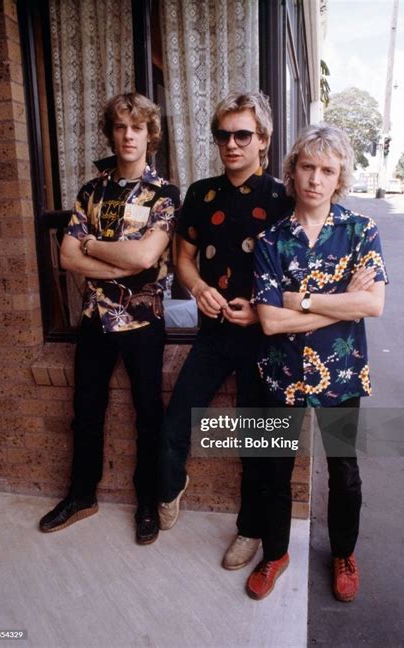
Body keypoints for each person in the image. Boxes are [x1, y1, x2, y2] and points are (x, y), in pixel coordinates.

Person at [248, 123, 387, 601]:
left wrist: (300, 302)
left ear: (339, 177)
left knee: (344, 471)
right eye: (307, 166)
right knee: (272, 471)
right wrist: (338, 300)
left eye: (327, 170)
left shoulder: (360, 231)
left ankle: (344, 553)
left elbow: (372, 306)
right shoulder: (270, 241)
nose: (315, 179)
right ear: (293, 171)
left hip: (341, 376)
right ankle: (275, 554)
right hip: (281, 374)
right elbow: (268, 322)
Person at [157, 93, 293, 565]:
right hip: (213, 331)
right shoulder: (201, 193)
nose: (231, 144)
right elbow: (184, 259)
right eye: (223, 135)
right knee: (176, 419)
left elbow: (296, 276)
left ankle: (251, 529)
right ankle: (169, 486)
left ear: (263, 140)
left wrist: (260, 311)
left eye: (243, 135)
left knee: (255, 441)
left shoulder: (282, 198)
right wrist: (196, 289)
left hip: (265, 338)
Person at [39, 92, 180, 545]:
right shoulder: (91, 191)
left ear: (149, 135)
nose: (128, 135)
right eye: (120, 127)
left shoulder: (164, 195)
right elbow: (65, 257)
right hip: (96, 318)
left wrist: (94, 248)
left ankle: (146, 503)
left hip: (142, 320)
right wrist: (121, 263)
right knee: (86, 410)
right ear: (112, 133)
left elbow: (145, 255)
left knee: (147, 415)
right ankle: (82, 496)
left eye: (137, 127)